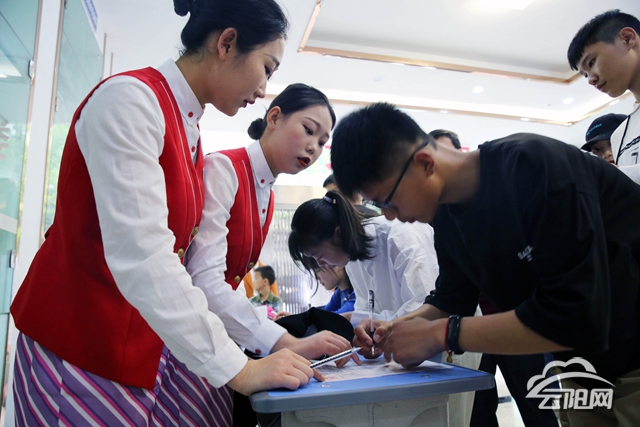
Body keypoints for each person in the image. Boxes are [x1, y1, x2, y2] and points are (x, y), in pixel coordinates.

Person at [9, 2, 321, 426]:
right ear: (227, 43)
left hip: (137, 345)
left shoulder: (187, 127)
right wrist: (241, 369)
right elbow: (145, 257)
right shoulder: (130, 100)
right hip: (79, 344)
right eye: (267, 68)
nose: (264, 89)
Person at [329, 102, 640, 427]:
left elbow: (576, 314)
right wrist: (394, 329)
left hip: (632, 357)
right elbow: (451, 300)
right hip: (583, 370)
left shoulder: (534, 166)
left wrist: (441, 334)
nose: (390, 216)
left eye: (387, 201)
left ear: (424, 163)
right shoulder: (446, 216)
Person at [432, 128, 559, 427]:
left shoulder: (507, 188)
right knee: (479, 412)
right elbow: (451, 292)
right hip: (475, 329)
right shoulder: (444, 219)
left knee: (538, 408)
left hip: (517, 324)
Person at [289, 190, 438, 326]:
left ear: (339, 233)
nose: (320, 263)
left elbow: (424, 310)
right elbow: (367, 309)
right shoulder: (351, 257)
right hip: (395, 342)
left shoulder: (400, 236)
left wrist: (368, 323)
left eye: (319, 256)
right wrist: (355, 322)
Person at [568, 9, 640, 184]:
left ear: (627, 39)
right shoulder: (619, 135)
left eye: (591, 62)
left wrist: (609, 175)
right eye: (585, 75)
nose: (591, 80)